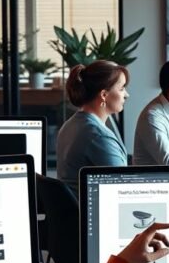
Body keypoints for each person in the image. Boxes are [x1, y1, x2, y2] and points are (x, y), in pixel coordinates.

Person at [56, 60, 130, 191]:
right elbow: (122, 189)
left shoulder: (70, 124)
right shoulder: (98, 137)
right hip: (95, 210)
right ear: (104, 95)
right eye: (122, 88)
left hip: (73, 209)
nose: (126, 95)